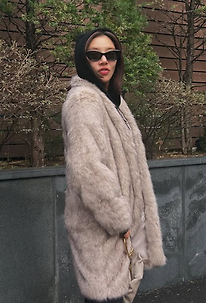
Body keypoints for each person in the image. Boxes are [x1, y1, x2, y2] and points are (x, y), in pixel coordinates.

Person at [62, 28, 166, 303]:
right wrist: (119, 220)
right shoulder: (83, 101)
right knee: (104, 297)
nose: (104, 61)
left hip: (118, 226)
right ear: (83, 58)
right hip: (102, 227)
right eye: (95, 55)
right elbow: (87, 169)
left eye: (111, 54)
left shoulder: (112, 100)